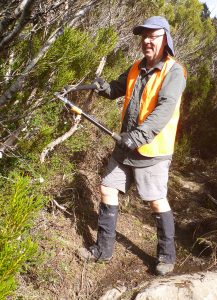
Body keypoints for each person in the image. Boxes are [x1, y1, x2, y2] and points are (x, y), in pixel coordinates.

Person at [78, 16, 186, 276]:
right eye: (144, 36)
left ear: (166, 39)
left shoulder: (174, 72)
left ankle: (166, 255)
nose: (147, 41)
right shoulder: (136, 67)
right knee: (107, 188)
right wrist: (103, 87)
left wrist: (136, 137)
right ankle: (103, 251)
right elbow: (117, 88)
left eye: (153, 36)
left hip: (153, 150)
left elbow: (163, 112)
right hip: (125, 146)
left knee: (156, 201)